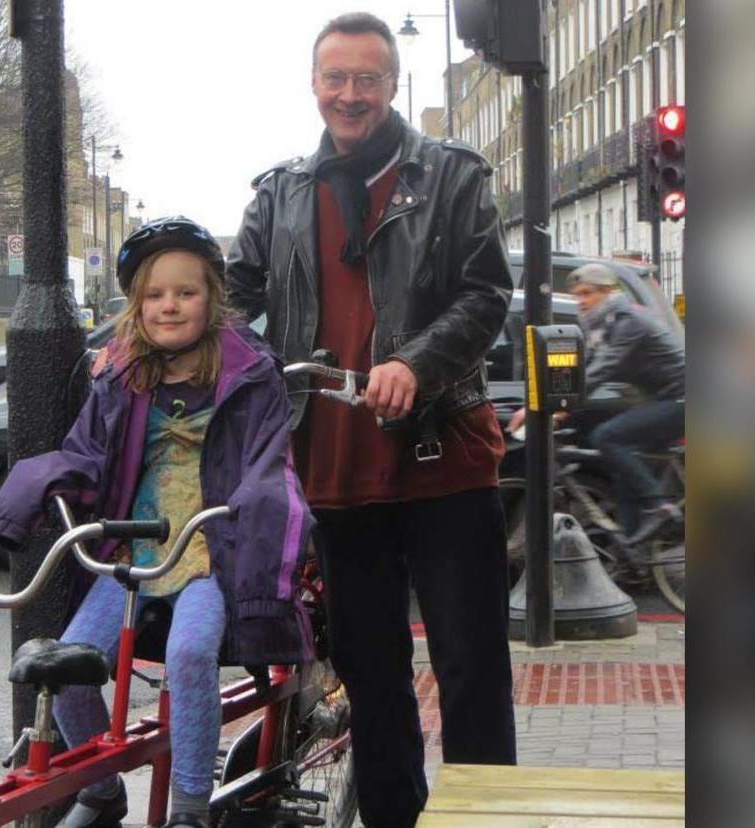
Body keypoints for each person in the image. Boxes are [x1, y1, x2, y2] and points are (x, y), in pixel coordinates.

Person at [225, 12, 516, 827]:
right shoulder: (280, 194)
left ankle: (484, 819)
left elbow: (485, 294)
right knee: (373, 675)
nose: (350, 95)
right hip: (333, 471)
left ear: (392, 85)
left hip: (443, 461)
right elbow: (235, 304)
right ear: (314, 84)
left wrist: (414, 364)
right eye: (335, 78)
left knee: (470, 670)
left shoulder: (453, 177)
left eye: (367, 79)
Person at [0, 216, 314, 828]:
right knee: (69, 665)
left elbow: (269, 466)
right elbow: (87, 454)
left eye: (186, 293)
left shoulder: (249, 374)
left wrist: (260, 517)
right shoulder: (120, 374)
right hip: (132, 554)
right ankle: (102, 786)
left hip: (207, 549)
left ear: (212, 300)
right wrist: (33, 485)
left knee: (192, 654)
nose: (170, 306)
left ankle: (189, 807)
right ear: (137, 305)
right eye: (155, 295)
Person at [507, 263, 686, 547]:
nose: (582, 301)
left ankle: (658, 505)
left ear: (608, 291)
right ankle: (632, 552)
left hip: (681, 400)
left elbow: (601, 370)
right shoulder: (605, 325)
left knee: (608, 436)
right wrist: (557, 405)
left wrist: (542, 407)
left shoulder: (629, 323)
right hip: (662, 398)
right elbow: (582, 372)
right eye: (577, 295)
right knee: (623, 468)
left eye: (587, 293)